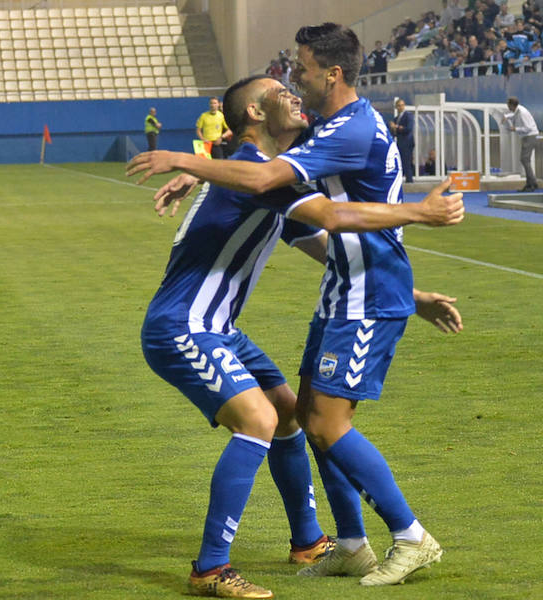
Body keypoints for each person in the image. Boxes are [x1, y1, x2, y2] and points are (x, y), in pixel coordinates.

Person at [127, 22, 460, 587]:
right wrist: (193, 164)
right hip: (183, 325)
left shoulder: (270, 174)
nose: (292, 85)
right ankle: (212, 569)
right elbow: (310, 212)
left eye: (297, 74)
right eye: (280, 89)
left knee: (290, 416)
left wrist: (412, 294)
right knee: (266, 419)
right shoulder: (255, 175)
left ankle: (312, 542)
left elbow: (319, 235)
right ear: (255, 115)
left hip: (219, 325)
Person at [504, 96, 539, 192]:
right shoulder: (519, 110)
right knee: (525, 160)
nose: (508, 107)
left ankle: (532, 183)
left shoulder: (522, 113)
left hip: (530, 136)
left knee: (524, 159)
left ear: (512, 105)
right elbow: (514, 116)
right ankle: (531, 182)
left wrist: (516, 129)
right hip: (528, 136)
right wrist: (506, 117)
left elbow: (528, 128)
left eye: (508, 105)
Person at [388, 98, 416, 183]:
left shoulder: (408, 115)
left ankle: (409, 180)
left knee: (406, 161)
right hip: (400, 142)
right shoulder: (396, 118)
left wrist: (397, 127)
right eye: (399, 106)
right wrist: (392, 127)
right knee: (401, 161)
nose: (401, 107)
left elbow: (409, 128)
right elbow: (395, 132)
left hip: (407, 142)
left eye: (402, 105)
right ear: (396, 107)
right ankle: (402, 179)